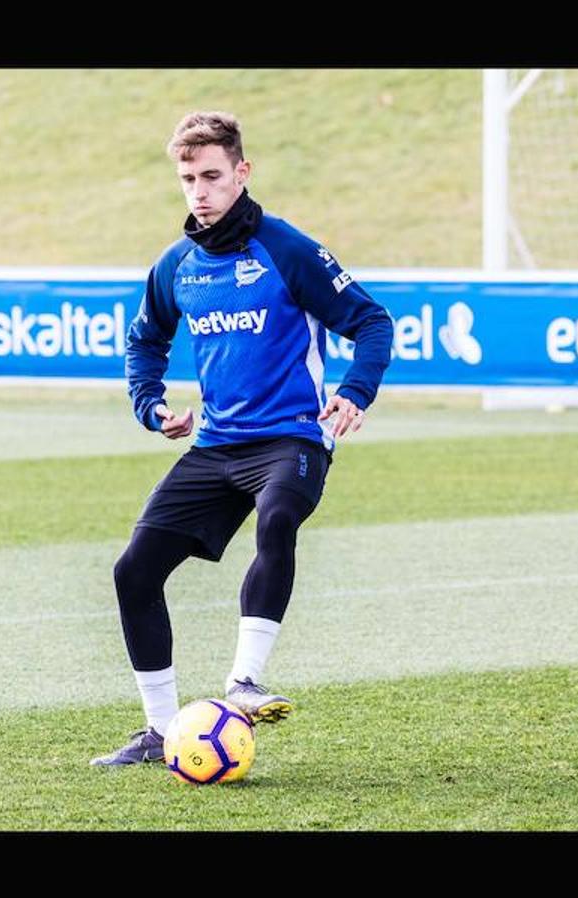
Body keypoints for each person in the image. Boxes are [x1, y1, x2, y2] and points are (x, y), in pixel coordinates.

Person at [92, 112, 394, 766]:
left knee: (278, 516)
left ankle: (244, 682)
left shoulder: (286, 250)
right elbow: (144, 342)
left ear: (242, 173)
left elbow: (372, 321)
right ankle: (159, 730)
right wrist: (152, 407)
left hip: (292, 439)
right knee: (133, 573)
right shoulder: (176, 265)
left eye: (211, 176)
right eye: (187, 179)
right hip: (216, 445)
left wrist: (354, 391)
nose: (199, 191)